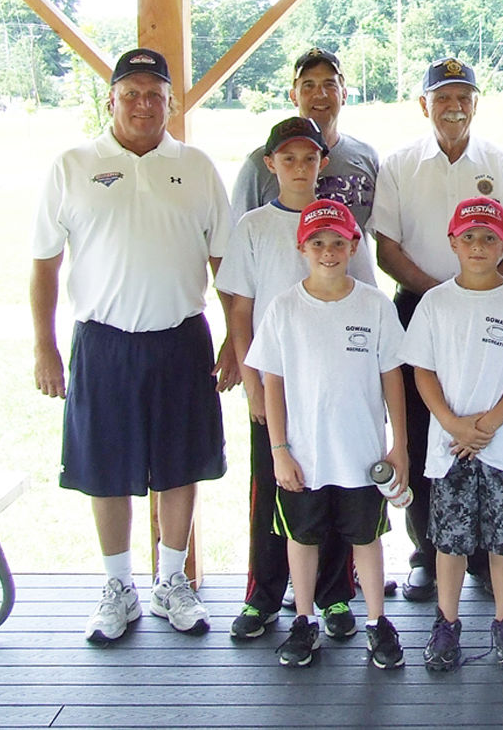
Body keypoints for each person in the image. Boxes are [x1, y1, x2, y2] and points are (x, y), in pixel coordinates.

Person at [31, 48, 238, 642]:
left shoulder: (196, 167)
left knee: (180, 465)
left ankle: (172, 581)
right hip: (102, 342)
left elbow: (223, 260)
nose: (144, 104)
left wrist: (232, 338)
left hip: (181, 338)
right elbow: (44, 265)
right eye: (132, 93)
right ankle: (117, 588)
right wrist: (45, 347)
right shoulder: (72, 165)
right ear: (111, 99)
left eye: (156, 94)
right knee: (105, 470)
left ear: (172, 102)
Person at [370, 57, 503, 602]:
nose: (454, 105)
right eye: (442, 96)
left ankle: (489, 557)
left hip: (495, 309)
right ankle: (427, 549)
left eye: (464, 95)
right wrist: (444, 293)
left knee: (490, 425)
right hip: (421, 306)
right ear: (424, 105)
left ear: (476, 103)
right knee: (424, 430)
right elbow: (386, 246)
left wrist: (484, 286)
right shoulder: (398, 165)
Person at [231, 47, 371, 615]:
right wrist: (249, 379)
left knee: (335, 487)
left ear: (321, 161)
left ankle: (335, 595)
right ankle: (264, 595)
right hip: (276, 383)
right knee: (273, 485)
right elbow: (238, 308)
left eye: (308, 157)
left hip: (334, 381)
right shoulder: (254, 227)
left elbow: (365, 298)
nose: (298, 166)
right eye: (287, 157)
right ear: (271, 163)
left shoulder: (340, 222)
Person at [245, 200, 408, 668]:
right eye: (318, 243)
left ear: (354, 245)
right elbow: (271, 381)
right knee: (303, 537)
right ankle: (304, 620)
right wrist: (279, 450)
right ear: (302, 248)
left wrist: (399, 445)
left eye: (338, 242)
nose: (329, 251)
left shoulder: (374, 304)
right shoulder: (284, 308)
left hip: (361, 453)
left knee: (367, 538)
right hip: (305, 455)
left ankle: (377, 623)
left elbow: (391, 376)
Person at [398, 198, 503, 671]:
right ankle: (447, 625)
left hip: (501, 450)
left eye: (489, 237)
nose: (479, 246)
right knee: (449, 545)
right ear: (452, 242)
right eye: (468, 237)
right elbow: (420, 370)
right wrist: (450, 421)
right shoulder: (435, 302)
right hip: (449, 451)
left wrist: (486, 425)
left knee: (502, 546)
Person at [231, 47, 378, 285]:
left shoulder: (366, 157)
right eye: (308, 85)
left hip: (351, 300)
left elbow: (381, 233)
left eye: (329, 84)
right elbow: (238, 249)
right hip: (282, 303)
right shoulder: (260, 164)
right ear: (293, 95)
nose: (320, 94)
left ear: (343, 93)